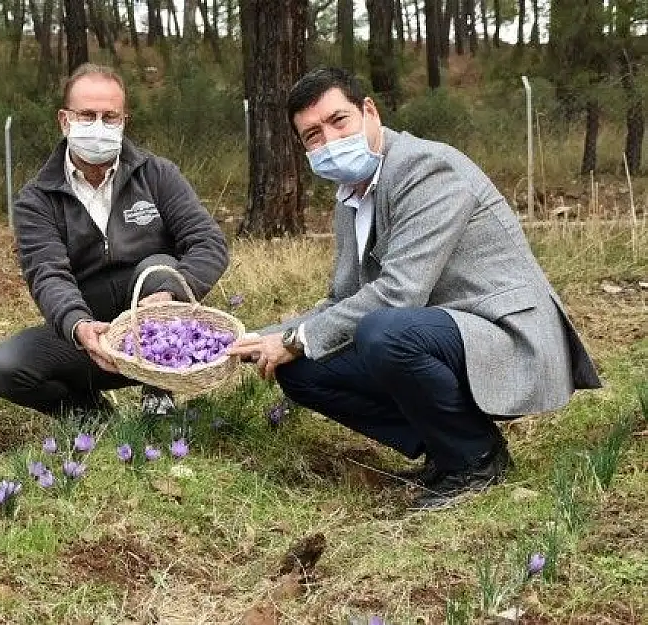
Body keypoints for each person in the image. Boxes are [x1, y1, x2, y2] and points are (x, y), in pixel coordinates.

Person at [228, 68, 601, 510]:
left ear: (370, 111)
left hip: (503, 334)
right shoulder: (351, 195)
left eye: (338, 121)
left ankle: (476, 459)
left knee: (382, 332)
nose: (328, 141)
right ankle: (446, 446)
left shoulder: (426, 168)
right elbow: (343, 299)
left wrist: (296, 338)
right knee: (299, 367)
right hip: (439, 332)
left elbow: (397, 295)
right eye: (312, 135)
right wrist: (263, 337)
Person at [0, 63, 229, 418]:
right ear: (64, 121)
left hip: (156, 331)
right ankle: (90, 413)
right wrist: (78, 326)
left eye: (109, 116)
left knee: (158, 268)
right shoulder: (37, 198)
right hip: (92, 335)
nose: (99, 126)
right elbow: (48, 274)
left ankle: (158, 390)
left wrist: (170, 298)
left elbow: (208, 242)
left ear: (124, 121)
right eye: (87, 115)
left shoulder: (157, 174)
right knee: (4, 366)